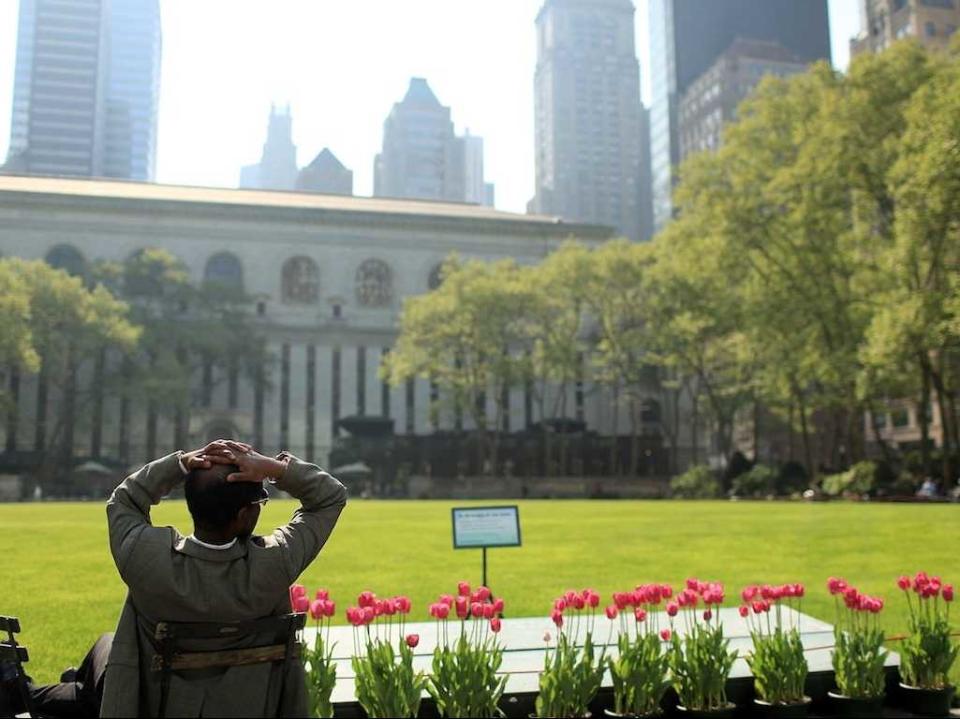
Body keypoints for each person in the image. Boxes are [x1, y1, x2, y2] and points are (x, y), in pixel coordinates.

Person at [99, 440, 347, 718]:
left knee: (102, 650)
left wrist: (179, 464)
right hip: (252, 704)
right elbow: (329, 496)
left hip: (164, 704)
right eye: (260, 502)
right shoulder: (274, 563)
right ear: (244, 514)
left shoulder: (145, 558)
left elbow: (125, 499)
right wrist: (274, 468)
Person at [0, 633, 112, 717]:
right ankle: (77, 683)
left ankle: (17, 694)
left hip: (104, 700)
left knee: (110, 644)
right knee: (108, 640)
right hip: (107, 691)